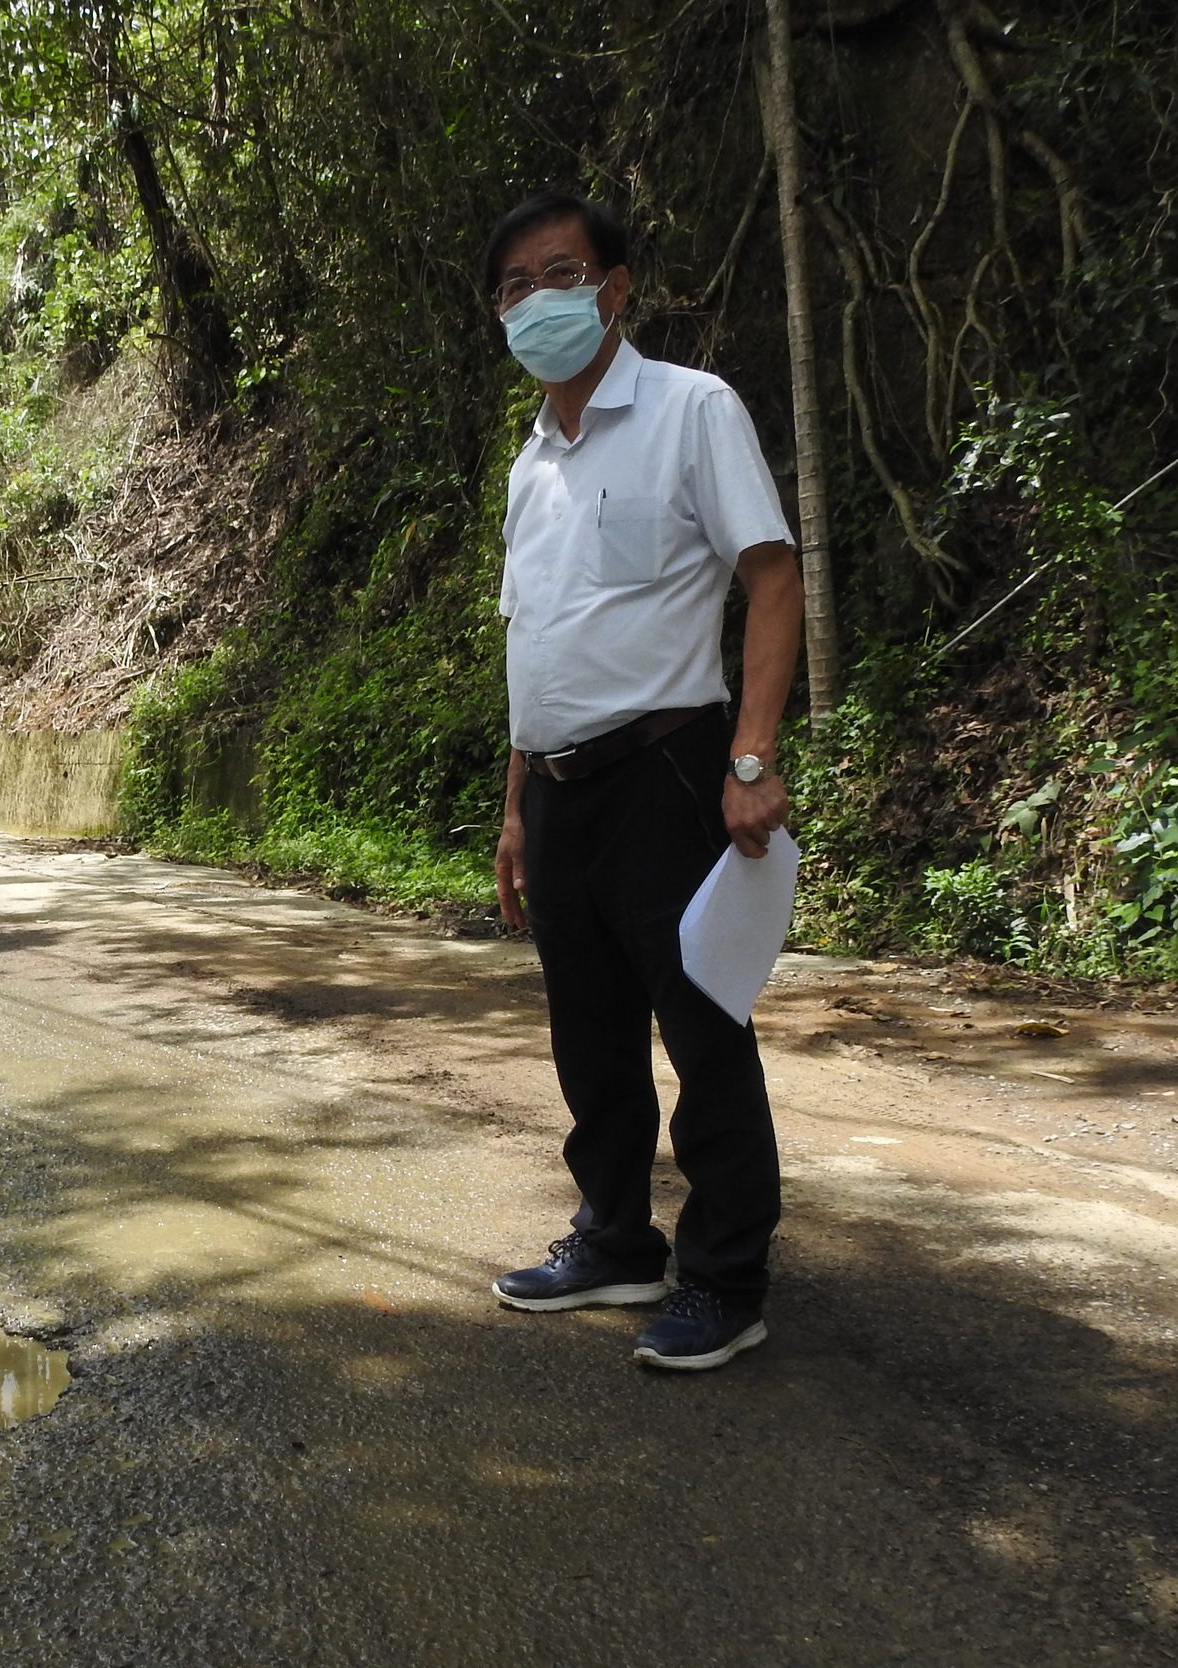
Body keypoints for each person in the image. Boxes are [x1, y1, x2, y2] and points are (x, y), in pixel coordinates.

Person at [481, 190, 802, 1373]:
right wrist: (517, 806)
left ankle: (727, 1276)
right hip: (559, 788)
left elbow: (771, 577)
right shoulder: (529, 467)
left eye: (554, 274)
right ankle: (615, 1235)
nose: (532, 302)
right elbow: (533, 637)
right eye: (511, 288)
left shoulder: (689, 410)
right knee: (589, 1031)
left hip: (668, 766)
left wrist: (751, 758)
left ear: (613, 288)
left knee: (702, 1022)